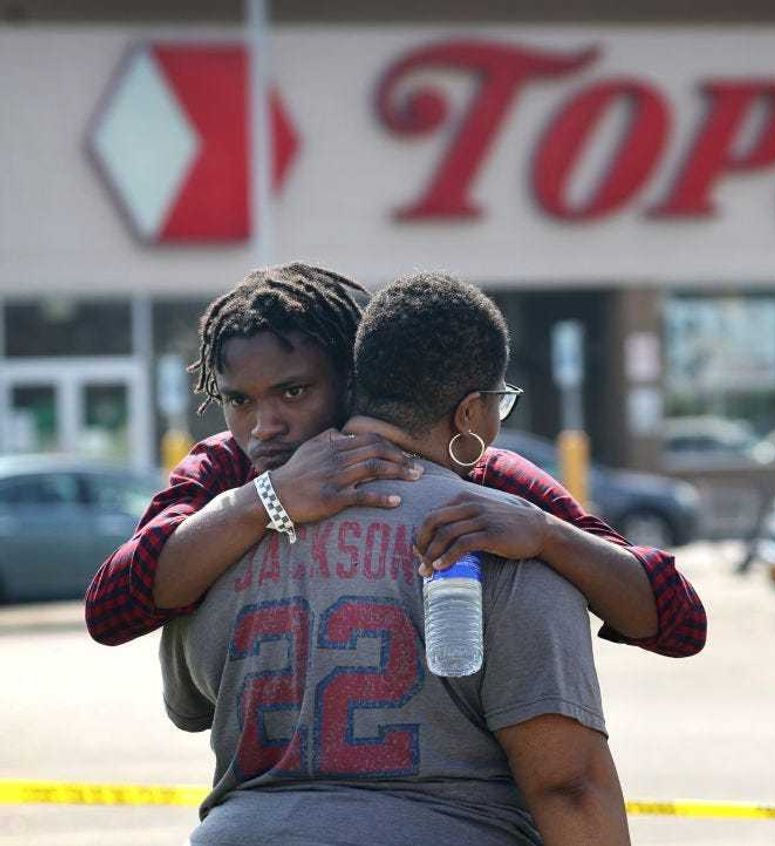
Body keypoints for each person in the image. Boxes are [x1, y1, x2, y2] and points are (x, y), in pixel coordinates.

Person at [160, 271, 629, 844]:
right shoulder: (497, 536)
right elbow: (570, 786)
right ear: (471, 411)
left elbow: (188, 706)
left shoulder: (213, 540)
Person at [85, 263, 705, 658]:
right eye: (239, 401)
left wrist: (548, 537)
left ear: (352, 380)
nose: (263, 424)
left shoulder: (474, 471)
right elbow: (110, 611)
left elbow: (677, 621)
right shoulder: (226, 469)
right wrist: (264, 502)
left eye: (293, 392)